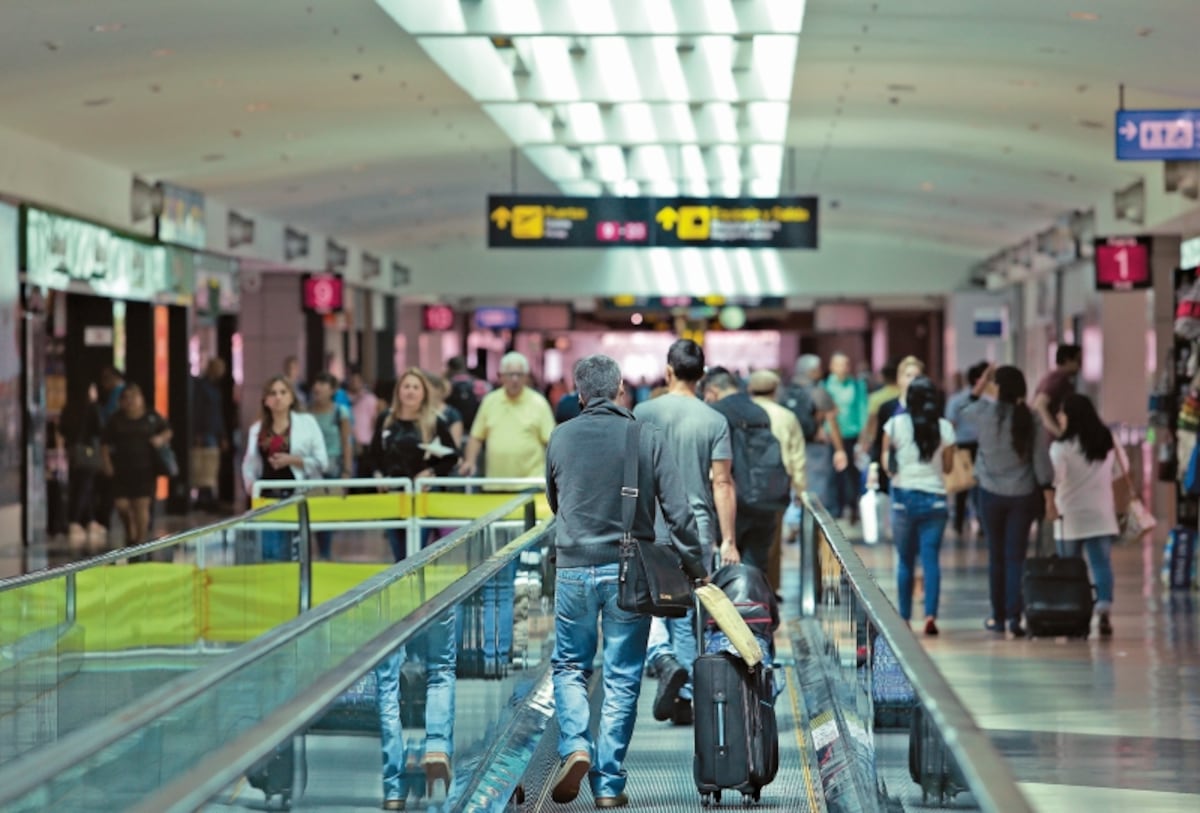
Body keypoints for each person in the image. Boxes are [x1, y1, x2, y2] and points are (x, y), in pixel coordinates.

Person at [544, 354, 707, 809]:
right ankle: (609, 782)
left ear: (579, 393)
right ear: (620, 389)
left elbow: (555, 500)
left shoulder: (561, 436)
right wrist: (697, 566)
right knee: (621, 676)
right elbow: (678, 511)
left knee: (570, 666)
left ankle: (576, 743)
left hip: (574, 567)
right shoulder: (645, 435)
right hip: (629, 571)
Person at [634, 339, 737, 726]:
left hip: (651, 524)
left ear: (669, 370)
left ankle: (662, 659)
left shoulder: (643, 412)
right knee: (687, 613)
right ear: (702, 375)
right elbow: (722, 483)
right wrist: (728, 539)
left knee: (647, 605)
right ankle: (688, 696)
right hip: (697, 527)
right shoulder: (714, 420)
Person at [962, 365, 1053, 637]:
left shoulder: (985, 413)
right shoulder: (1031, 417)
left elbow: (963, 410)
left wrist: (982, 383)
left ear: (997, 387)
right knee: (1016, 557)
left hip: (990, 494)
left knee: (996, 557)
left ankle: (997, 617)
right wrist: (1048, 493)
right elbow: (1041, 462)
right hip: (1022, 495)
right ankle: (1016, 617)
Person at [882, 376, 957, 636]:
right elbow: (948, 467)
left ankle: (904, 617)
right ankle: (930, 615)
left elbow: (887, 465)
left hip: (903, 498)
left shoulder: (894, 425)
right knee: (930, 560)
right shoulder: (945, 428)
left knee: (905, 561)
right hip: (935, 499)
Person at [1050, 393, 1125, 637]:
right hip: (1101, 513)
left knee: (1071, 568)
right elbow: (1122, 468)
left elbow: (1055, 478)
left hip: (1069, 515)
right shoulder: (1106, 440)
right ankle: (1103, 608)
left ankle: (1075, 610)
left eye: (1062, 412)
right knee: (1101, 564)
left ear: (1070, 416)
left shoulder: (1061, 447)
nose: (1059, 417)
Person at [369, 368, 460, 561]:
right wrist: (377, 474)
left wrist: (431, 472)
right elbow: (374, 454)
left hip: (423, 495)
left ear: (423, 393)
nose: (410, 391)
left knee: (416, 554)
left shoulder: (434, 421)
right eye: (406, 386)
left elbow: (452, 456)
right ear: (398, 391)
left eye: (416, 387)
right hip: (393, 495)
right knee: (399, 554)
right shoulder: (385, 419)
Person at [702, 368, 786, 574]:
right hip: (764, 497)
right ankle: (754, 604)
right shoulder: (759, 411)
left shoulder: (716, 412)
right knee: (756, 569)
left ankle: (733, 606)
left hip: (733, 502)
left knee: (727, 569)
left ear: (712, 390)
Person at [241, 375, 327, 561]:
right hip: (266, 496)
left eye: (283, 392)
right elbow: (249, 463)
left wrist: (294, 460)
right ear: (266, 400)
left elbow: (322, 462)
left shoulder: (307, 424)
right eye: (273, 393)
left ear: (291, 397)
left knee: (294, 553)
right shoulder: (257, 429)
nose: (278, 397)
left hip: (296, 494)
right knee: (269, 552)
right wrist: (250, 486)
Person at [747, 369, 807, 594]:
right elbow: (797, 455)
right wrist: (799, 488)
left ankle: (747, 585)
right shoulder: (787, 416)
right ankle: (770, 587)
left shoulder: (746, 413)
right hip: (778, 483)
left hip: (747, 482)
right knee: (772, 539)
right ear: (775, 389)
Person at [458, 351, 554, 481]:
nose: (514, 379)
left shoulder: (539, 403)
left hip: (530, 483)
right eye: (510, 374)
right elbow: (476, 437)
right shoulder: (490, 401)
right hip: (495, 482)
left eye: (519, 375)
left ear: (526, 377)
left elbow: (551, 442)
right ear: (501, 376)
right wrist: (470, 461)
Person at [99, 383, 172, 547]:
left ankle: (140, 540)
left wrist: (159, 440)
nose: (131, 401)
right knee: (122, 505)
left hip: (145, 469)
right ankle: (129, 530)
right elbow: (104, 443)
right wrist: (107, 463)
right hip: (122, 469)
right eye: (126, 398)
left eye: (134, 397)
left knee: (141, 505)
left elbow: (167, 430)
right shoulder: (116, 419)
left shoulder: (150, 417)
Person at [786, 355, 847, 514]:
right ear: (812, 371)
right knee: (818, 487)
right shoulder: (818, 392)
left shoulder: (784, 391)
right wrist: (840, 450)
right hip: (815, 447)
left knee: (794, 484)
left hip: (790, 446)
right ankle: (815, 526)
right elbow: (832, 422)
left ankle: (794, 520)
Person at [309, 372, 354, 560]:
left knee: (328, 514)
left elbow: (346, 441)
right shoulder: (307, 413)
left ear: (332, 390)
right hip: (311, 469)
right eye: (316, 383)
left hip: (333, 467)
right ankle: (318, 552)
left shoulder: (339, 412)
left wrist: (347, 471)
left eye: (323, 384)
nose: (317, 387)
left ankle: (325, 553)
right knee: (314, 513)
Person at [945, 361, 989, 537]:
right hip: (979, 446)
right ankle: (981, 523)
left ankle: (958, 523)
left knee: (961, 486)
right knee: (979, 486)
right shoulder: (986, 402)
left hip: (961, 445)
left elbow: (950, 424)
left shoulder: (955, 400)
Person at [871, 356, 925, 495]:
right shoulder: (888, 408)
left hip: (923, 475)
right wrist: (874, 468)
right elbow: (878, 442)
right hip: (896, 474)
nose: (912, 380)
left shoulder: (929, 408)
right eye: (908, 375)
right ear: (899, 379)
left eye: (917, 376)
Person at [825, 353, 869, 522]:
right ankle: (835, 508)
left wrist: (864, 437)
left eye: (846, 364)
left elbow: (863, 410)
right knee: (833, 474)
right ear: (832, 367)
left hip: (853, 434)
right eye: (839, 364)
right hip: (832, 436)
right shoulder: (826, 385)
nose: (843, 368)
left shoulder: (857, 385)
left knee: (852, 474)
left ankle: (853, 506)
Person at [59, 388, 104, 550]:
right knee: (85, 486)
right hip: (88, 453)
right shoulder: (91, 408)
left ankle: (89, 520)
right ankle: (75, 520)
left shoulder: (69, 408)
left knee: (83, 486)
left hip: (73, 452)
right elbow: (100, 427)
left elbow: (62, 429)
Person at [191, 358, 227, 513]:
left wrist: (222, 434)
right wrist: (197, 432)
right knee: (204, 465)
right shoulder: (201, 387)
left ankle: (207, 496)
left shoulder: (215, 388)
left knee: (211, 465)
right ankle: (204, 498)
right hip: (205, 431)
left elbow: (217, 413)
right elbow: (198, 411)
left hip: (213, 430)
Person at [1033, 344, 1082, 438]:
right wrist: (1059, 433)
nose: (1080, 365)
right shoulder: (1059, 379)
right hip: (1050, 439)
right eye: (1078, 360)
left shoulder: (1053, 377)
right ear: (1067, 360)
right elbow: (1039, 405)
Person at [347, 370, 380, 478]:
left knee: (363, 475)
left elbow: (375, 421)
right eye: (352, 380)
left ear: (362, 382)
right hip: (349, 444)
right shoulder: (344, 399)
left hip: (366, 444)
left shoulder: (370, 399)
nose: (354, 383)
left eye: (357, 381)